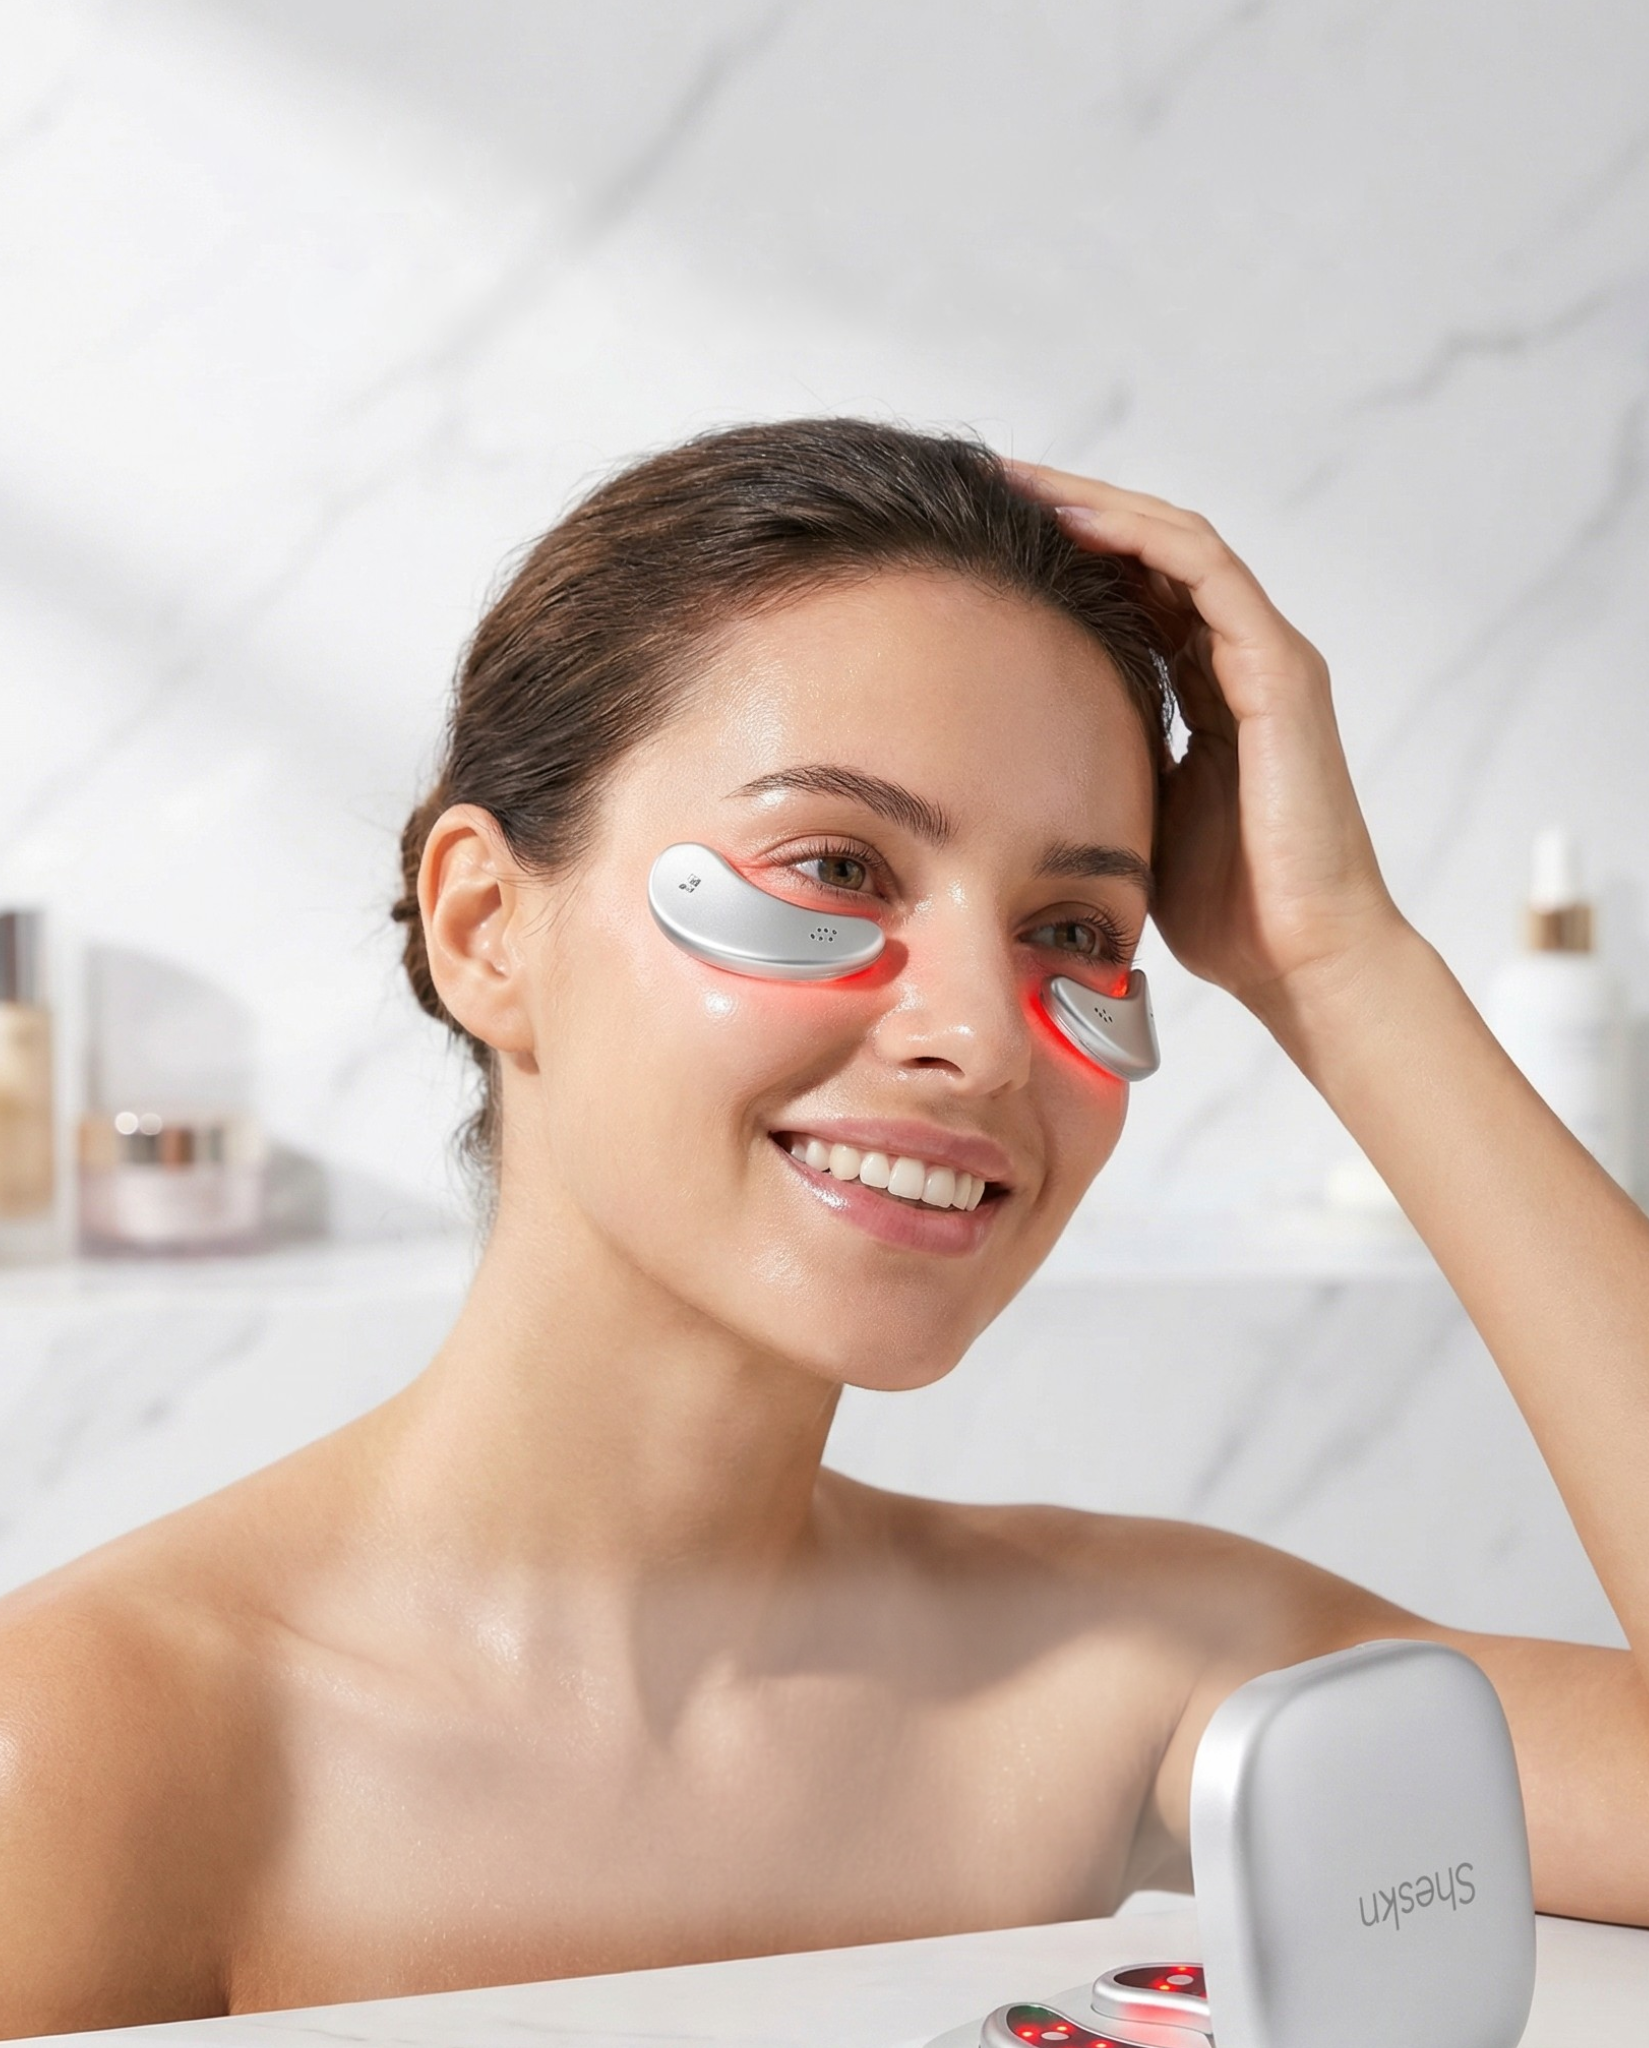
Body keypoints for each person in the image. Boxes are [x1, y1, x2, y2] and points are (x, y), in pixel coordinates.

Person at [1, 420, 1646, 2037]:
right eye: (839, 867)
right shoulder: (89, 1754)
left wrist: (1338, 965)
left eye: (1073, 927)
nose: (987, 1035)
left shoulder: (1125, 1679)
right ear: (487, 929)